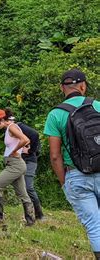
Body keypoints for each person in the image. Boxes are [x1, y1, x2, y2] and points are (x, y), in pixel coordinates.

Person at [44, 69, 100, 258]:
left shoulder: (55, 114)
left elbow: (54, 155)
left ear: (62, 88)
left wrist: (64, 182)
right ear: (83, 86)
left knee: (94, 224)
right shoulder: (98, 106)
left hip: (77, 176)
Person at [0, 109, 35, 226]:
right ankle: (30, 220)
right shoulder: (10, 128)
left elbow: (25, 139)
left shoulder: (11, 127)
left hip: (15, 164)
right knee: (22, 193)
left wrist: (14, 150)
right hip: (15, 164)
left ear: (1, 120)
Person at [17, 116, 45, 220]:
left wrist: (30, 150)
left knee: (28, 187)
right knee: (21, 189)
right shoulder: (8, 131)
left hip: (29, 160)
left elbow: (35, 134)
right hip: (19, 161)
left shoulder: (19, 126)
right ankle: (29, 214)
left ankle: (39, 214)